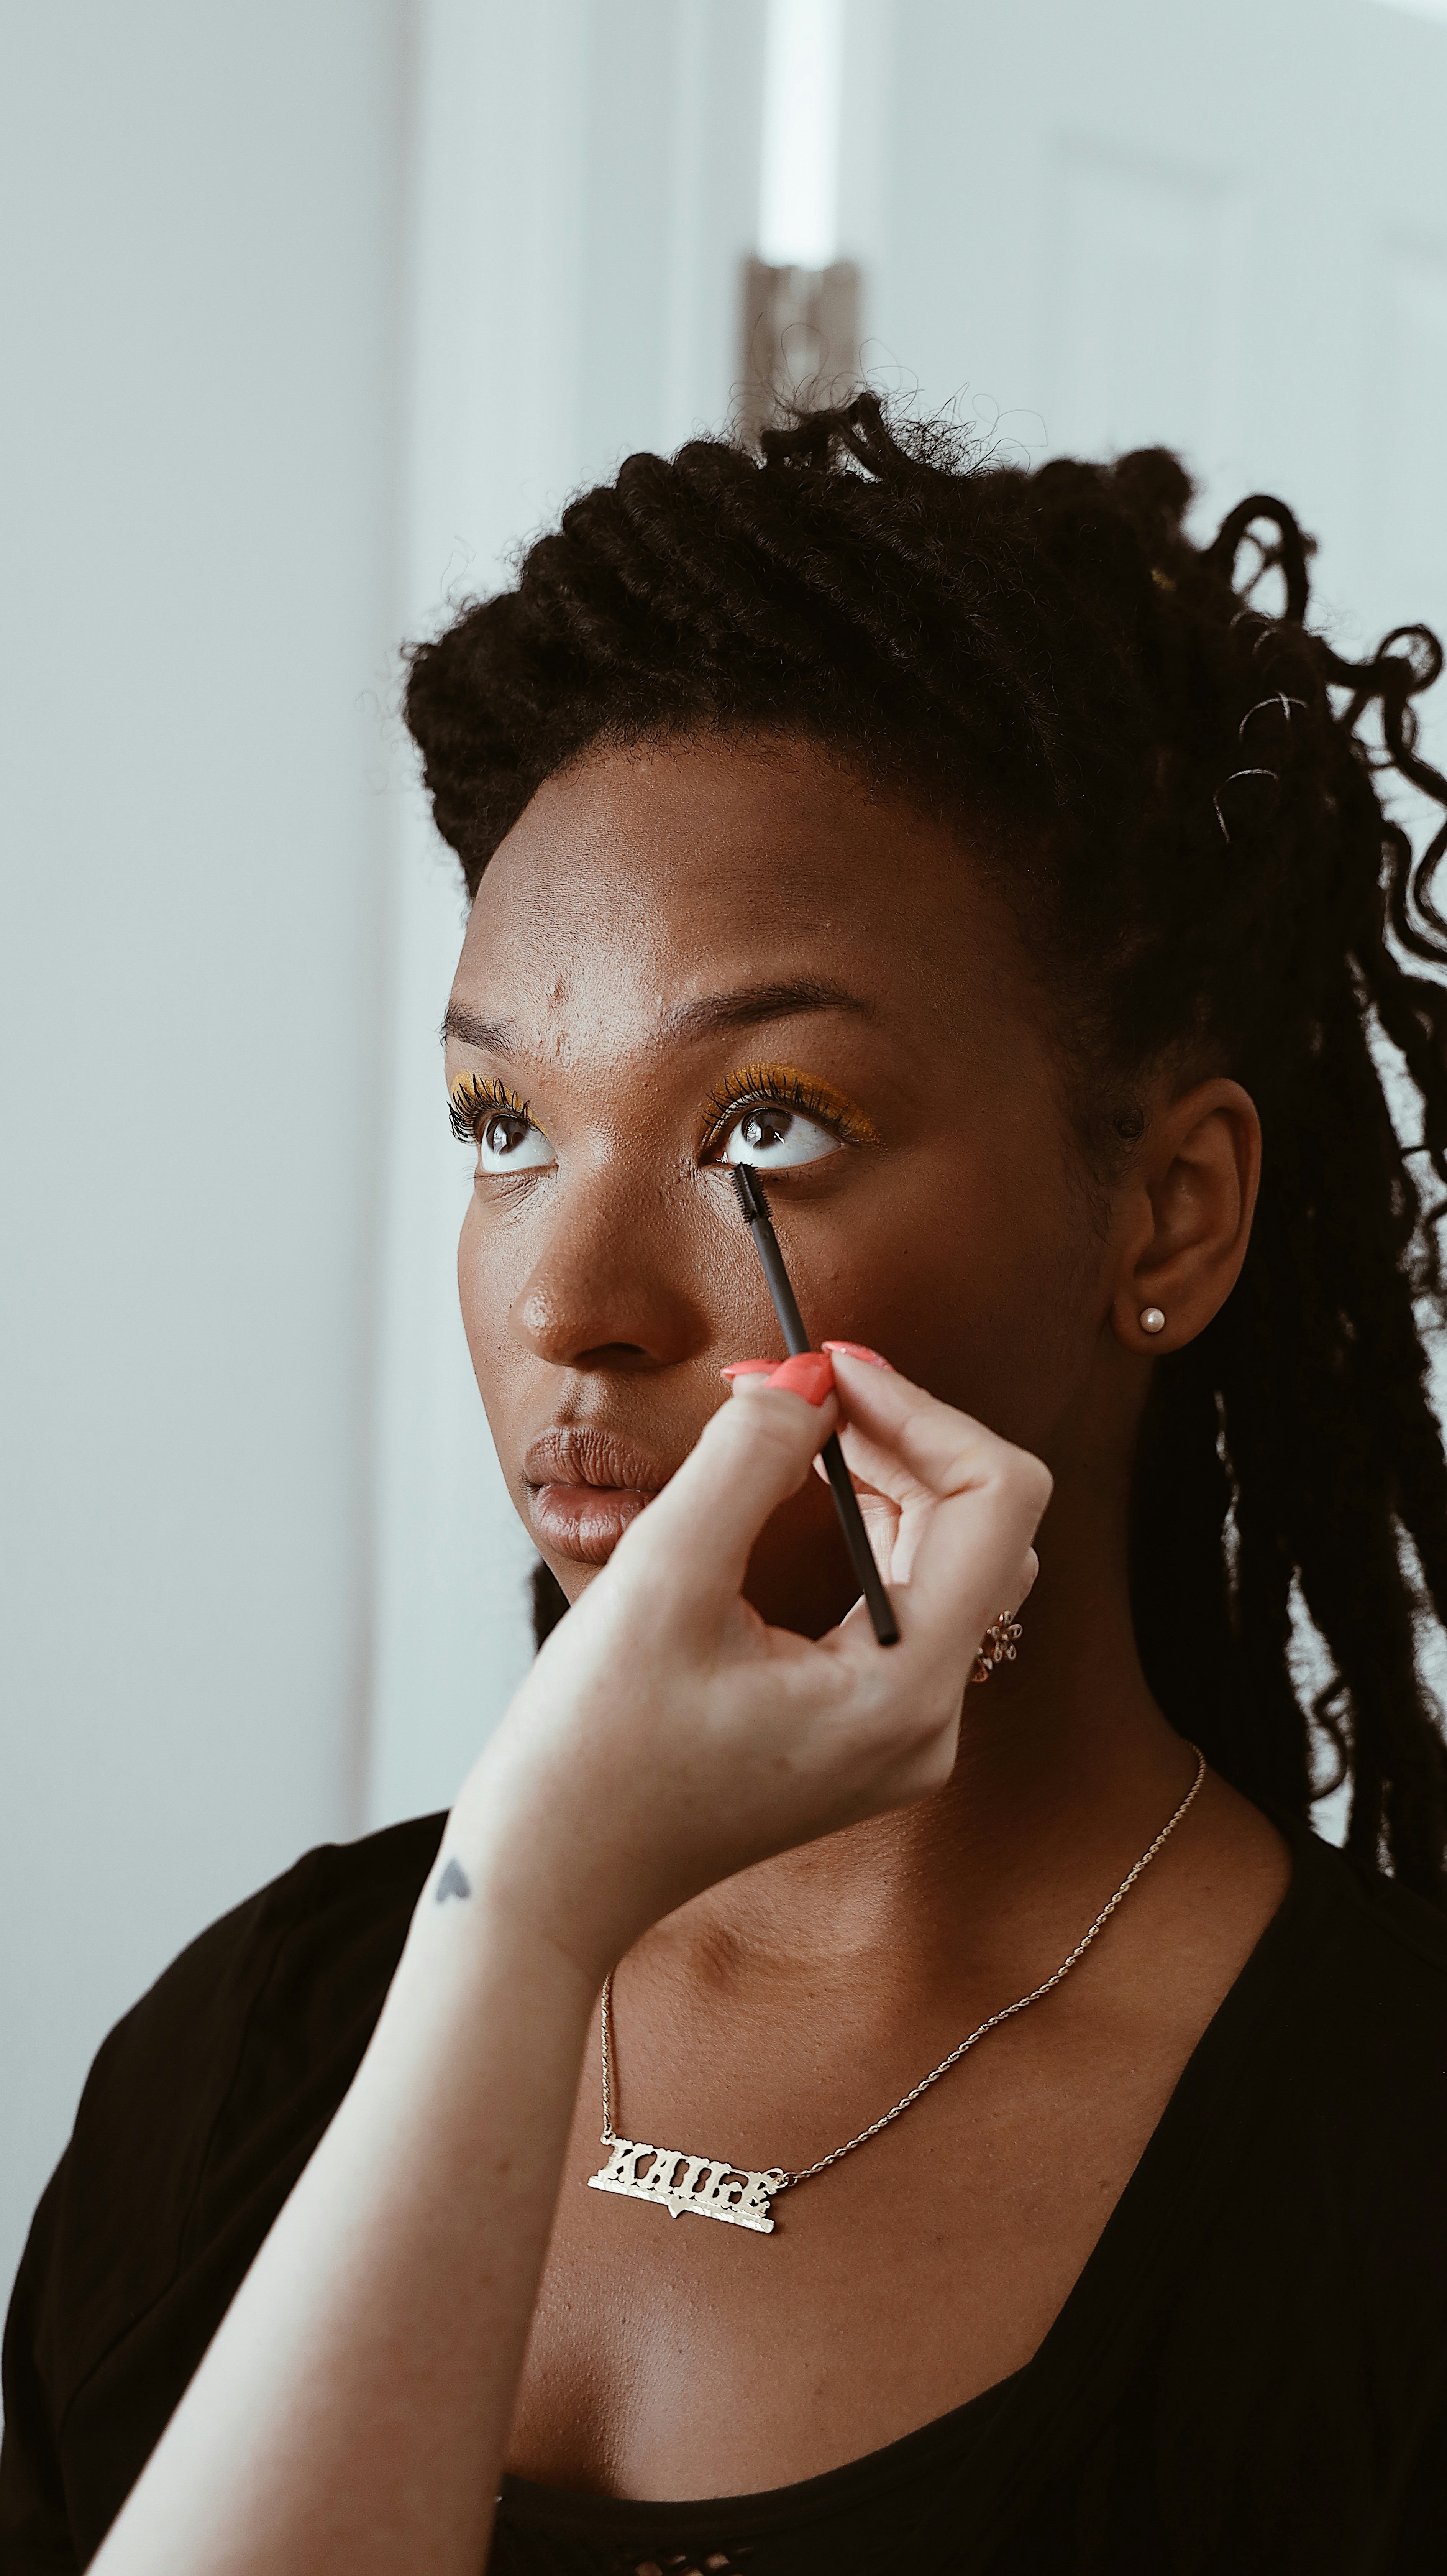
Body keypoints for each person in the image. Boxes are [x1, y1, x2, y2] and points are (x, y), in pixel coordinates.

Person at [3, 394, 1446, 2576]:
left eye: (766, 1121)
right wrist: (528, 1927)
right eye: (503, 1127)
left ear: (1166, 1219)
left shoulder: (1389, 2183)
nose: (566, 1302)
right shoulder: (253, 2048)